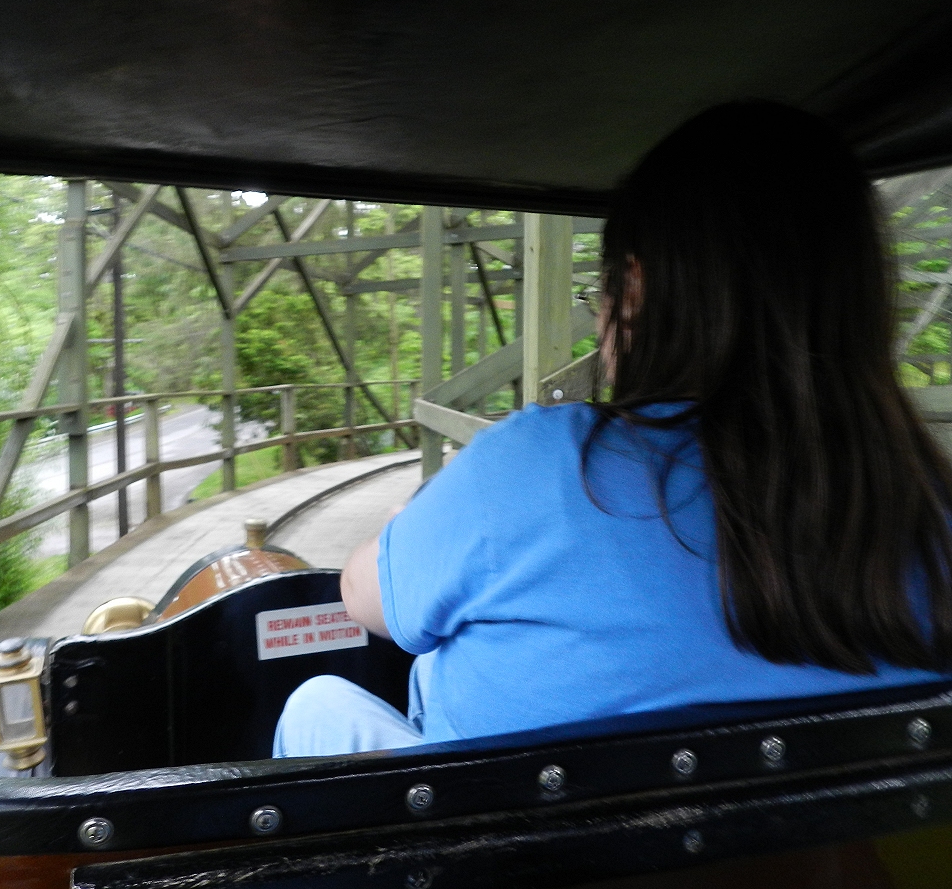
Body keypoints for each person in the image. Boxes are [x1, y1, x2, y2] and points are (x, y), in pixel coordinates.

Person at [272, 100, 952, 758]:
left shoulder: (541, 461)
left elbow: (363, 598)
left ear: (632, 289)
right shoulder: (928, 505)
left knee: (316, 706)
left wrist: (411, 519)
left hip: (512, 852)